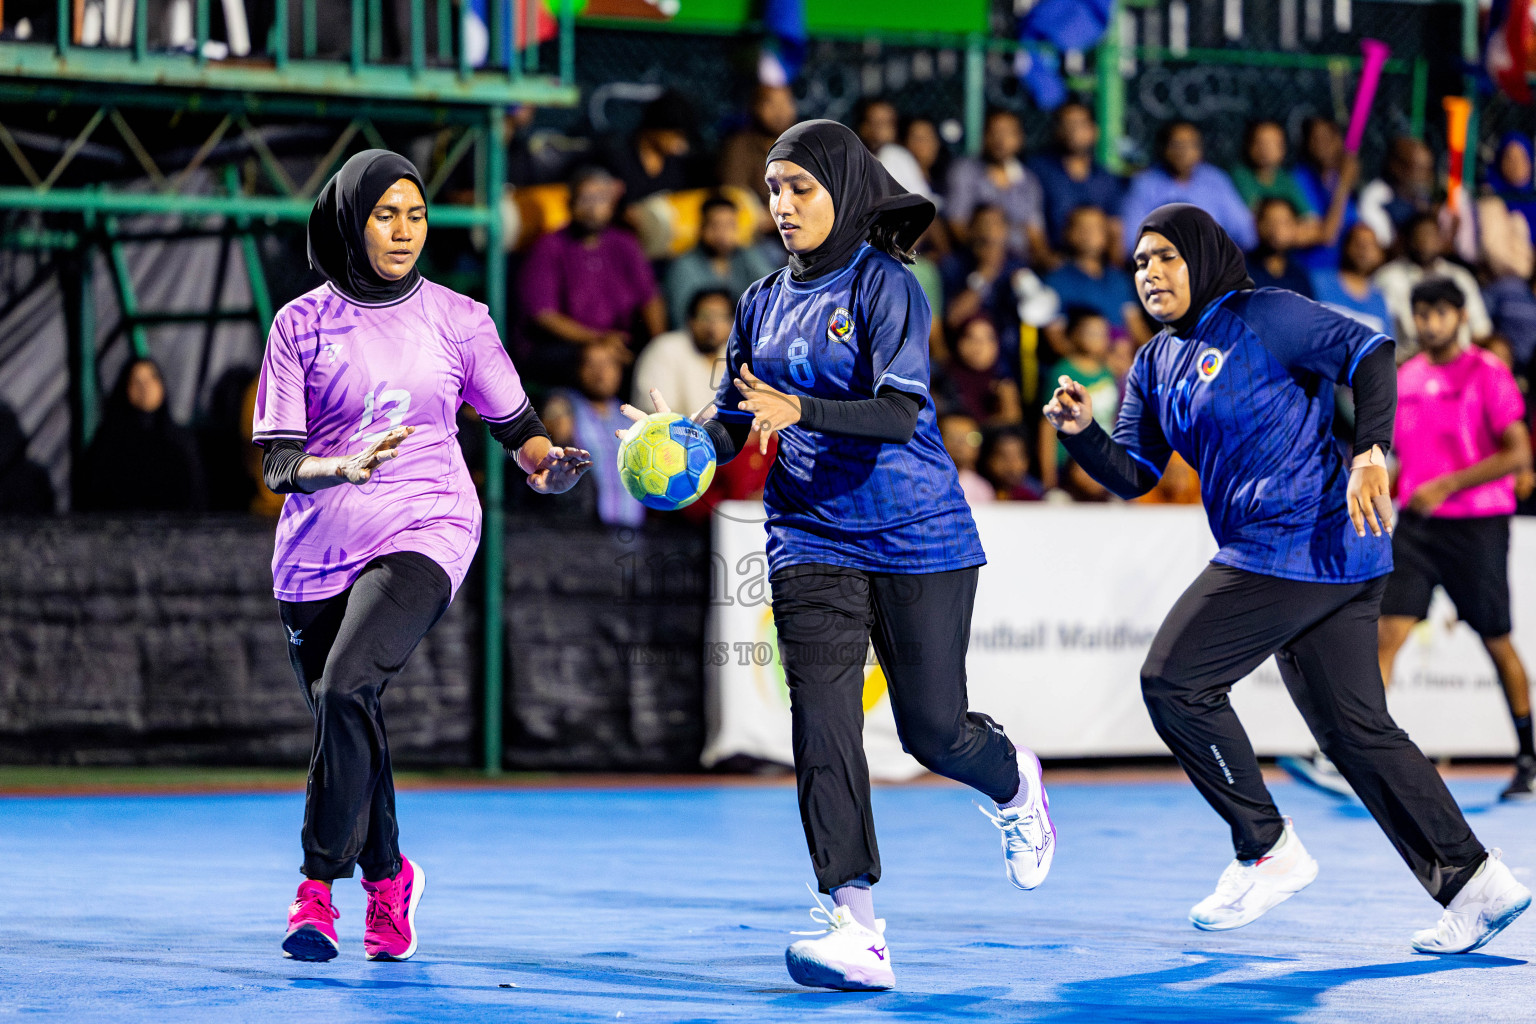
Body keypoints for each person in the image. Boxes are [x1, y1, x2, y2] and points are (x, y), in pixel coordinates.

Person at [622, 119, 1056, 992]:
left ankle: (1015, 784)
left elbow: (898, 415)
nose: (782, 206)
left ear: (844, 191)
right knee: (821, 720)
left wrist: (801, 412)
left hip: (918, 531)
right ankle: (854, 923)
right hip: (808, 534)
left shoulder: (887, 286)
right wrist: (685, 437)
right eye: (774, 190)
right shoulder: (757, 299)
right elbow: (738, 409)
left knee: (936, 732)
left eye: (800, 190)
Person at [1045, 202, 1529, 954]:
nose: (1150, 273)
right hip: (1312, 557)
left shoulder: (1266, 314)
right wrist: (1081, 438)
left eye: (1165, 256)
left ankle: (1265, 847)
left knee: (1174, 680)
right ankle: (1476, 883)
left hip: (1304, 539)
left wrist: (1371, 452)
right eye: (1139, 263)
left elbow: (1370, 352)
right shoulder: (1152, 364)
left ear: (1202, 257)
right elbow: (1135, 473)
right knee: (1355, 733)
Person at [253, 150, 591, 964]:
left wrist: (546, 465)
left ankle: (315, 892)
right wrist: (345, 466)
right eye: (385, 215)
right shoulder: (299, 325)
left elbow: (518, 430)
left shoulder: (459, 318)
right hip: (316, 549)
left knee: (346, 686)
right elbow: (276, 465)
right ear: (350, 222)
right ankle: (389, 880)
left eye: (416, 213)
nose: (404, 230)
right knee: (350, 715)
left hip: (427, 526)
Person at [1378, 278, 1536, 801]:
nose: (1429, 323)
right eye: (1421, 313)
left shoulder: (1487, 372)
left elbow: (1517, 454)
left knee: (1497, 643)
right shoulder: (1406, 377)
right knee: (1386, 636)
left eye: (1439, 313)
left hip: (1477, 524)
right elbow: (1394, 454)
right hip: (1418, 528)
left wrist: (1447, 484)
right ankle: (1364, 756)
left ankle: (1529, 757)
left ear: (1461, 316)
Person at [517, 165, 666, 384]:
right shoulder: (549, 246)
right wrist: (598, 339)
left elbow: (650, 298)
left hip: (619, 342)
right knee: (599, 359)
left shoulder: (625, 243)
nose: (593, 208)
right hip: (562, 348)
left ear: (612, 205)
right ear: (569, 203)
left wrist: (658, 346)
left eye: (600, 199)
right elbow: (544, 316)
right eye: (585, 199)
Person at [77, 357, 206, 513]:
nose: (146, 387)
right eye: (136, 381)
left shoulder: (181, 441)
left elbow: (196, 498)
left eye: (152, 378)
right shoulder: (108, 442)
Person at [544, 343, 644, 528]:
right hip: (582, 529)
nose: (600, 372)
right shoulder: (566, 403)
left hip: (631, 528)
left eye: (607, 364)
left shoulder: (630, 416)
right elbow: (556, 428)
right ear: (578, 369)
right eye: (591, 364)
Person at [1120, 122, 1256, 252]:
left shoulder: (1215, 180)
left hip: (1212, 264)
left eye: (1191, 145)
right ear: (1163, 148)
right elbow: (1131, 241)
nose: (1184, 152)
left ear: (1200, 150)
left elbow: (1245, 233)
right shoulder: (1145, 183)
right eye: (1177, 145)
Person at [1374, 212, 1491, 354]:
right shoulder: (1388, 277)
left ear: (1441, 239)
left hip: (1457, 362)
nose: (1424, 241)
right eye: (1419, 235)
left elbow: (1481, 331)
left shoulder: (1460, 277)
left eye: (1430, 235)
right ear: (1408, 240)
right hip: (1406, 361)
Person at [945, 108, 1052, 264]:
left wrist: (1046, 260)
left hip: (1019, 262)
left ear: (1020, 139)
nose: (1000, 140)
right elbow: (956, 224)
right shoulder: (965, 170)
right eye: (994, 132)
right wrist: (983, 254)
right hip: (974, 259)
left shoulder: (1029, 181)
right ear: (984, 136)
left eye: (1008, 133)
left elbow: (1035, 233)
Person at [1027, 98, 1126, 258]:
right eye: (1067, 125)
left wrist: (1116, 272)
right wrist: (1046, 261)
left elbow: (1115, 229)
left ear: (1094, 131)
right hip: (1052, 261)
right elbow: (1029, 221)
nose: (1073, 131)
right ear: (1057, 131)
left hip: (1096, 264)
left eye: (1080, 124)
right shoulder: (1038, 170)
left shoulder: (1106, 179)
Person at [662, 194, 776, 327]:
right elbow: (681, 321)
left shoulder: (747, 255)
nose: (723, 234)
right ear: (701, 228)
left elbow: (774, 293)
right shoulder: (683, 266)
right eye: (715, 226)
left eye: (730, 226)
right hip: (701, 344)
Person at [1038, 308, 1117, 492]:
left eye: (1102, 333)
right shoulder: (1064, 372)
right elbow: (1047, 426)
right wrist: (1049, 479)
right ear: (1073, 335)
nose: (1098, 338)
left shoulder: (1107, 372)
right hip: (1068, 467)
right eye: (1091, 332)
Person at [1043, 204, 1148, 340]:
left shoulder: (1119, 279)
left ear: (1106, 234)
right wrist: (1097, 360)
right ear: (1068, 233)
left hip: (1123, 357)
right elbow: (1056, 338)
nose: (1090, 234)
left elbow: (1137, 329)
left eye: (1097, 228)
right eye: (1083, 228)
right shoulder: (1055, 281)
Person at [633, 287, 734, 420]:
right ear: (690, 320)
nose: (712, 326)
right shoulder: (665, 349)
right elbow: (659, 417)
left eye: (721, 317)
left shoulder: (733, 356)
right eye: (705, 316)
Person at [1292, 118, 1362, 271]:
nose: (1323, 145)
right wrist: (1344, 185)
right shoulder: (1298, 180)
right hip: (1312, 271)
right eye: (1316, 139)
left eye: (1329, 138)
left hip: (1343, 274)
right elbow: (1328, 235)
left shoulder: (1338, 180)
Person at [719, 83, 799, 209]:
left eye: (786, 102)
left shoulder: (804, 144)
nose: (780, 111)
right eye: (770, 104)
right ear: (755, 107)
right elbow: (735, 196)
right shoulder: (740, 146)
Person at [933, 315, 1023, 426]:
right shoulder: (939, 378)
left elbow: (1011, 430)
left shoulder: (1003, 385)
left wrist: (1009, 408)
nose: (979, 346)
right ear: (958, 341)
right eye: (970, 337)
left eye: (988, 338)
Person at [1310, 222, 1391, 333]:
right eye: (1358, 243)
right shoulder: (1317, 281)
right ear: (1345, 246)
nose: (1364, 249)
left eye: (1370, 245)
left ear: (1380, 254)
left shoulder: (1380, 301)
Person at [1359, 137, 1436, 250]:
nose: (1427, 177)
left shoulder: (1424, 199)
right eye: (1419, 169)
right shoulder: (1377, 197)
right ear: (1396, 167)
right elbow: (1383, 247)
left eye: (1429, 169)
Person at [853, 97, 931, 202]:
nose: (882, 129)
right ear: (863, 126)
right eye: (876, 122)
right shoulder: (852, 159)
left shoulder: (899, 156)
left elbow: (923, 200)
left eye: (887, 122)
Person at [1245, 198, 1314, 297]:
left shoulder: (1299, 276)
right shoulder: (1240, 269)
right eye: (1270, 222)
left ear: (1296, 226)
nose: (1277, 229)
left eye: (1285, 222)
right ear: (1257, 223)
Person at [939, 413, 994, 506]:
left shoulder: (982, 488)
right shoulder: (926, 482)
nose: (959, 444)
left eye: (968, 437)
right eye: (952, 437)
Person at [980, 426, 1045, 501]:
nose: (1012, 465)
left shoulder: (1034, 495)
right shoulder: (977, 491)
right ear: (988, 459)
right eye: (1004, 456)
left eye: (1018, 456)